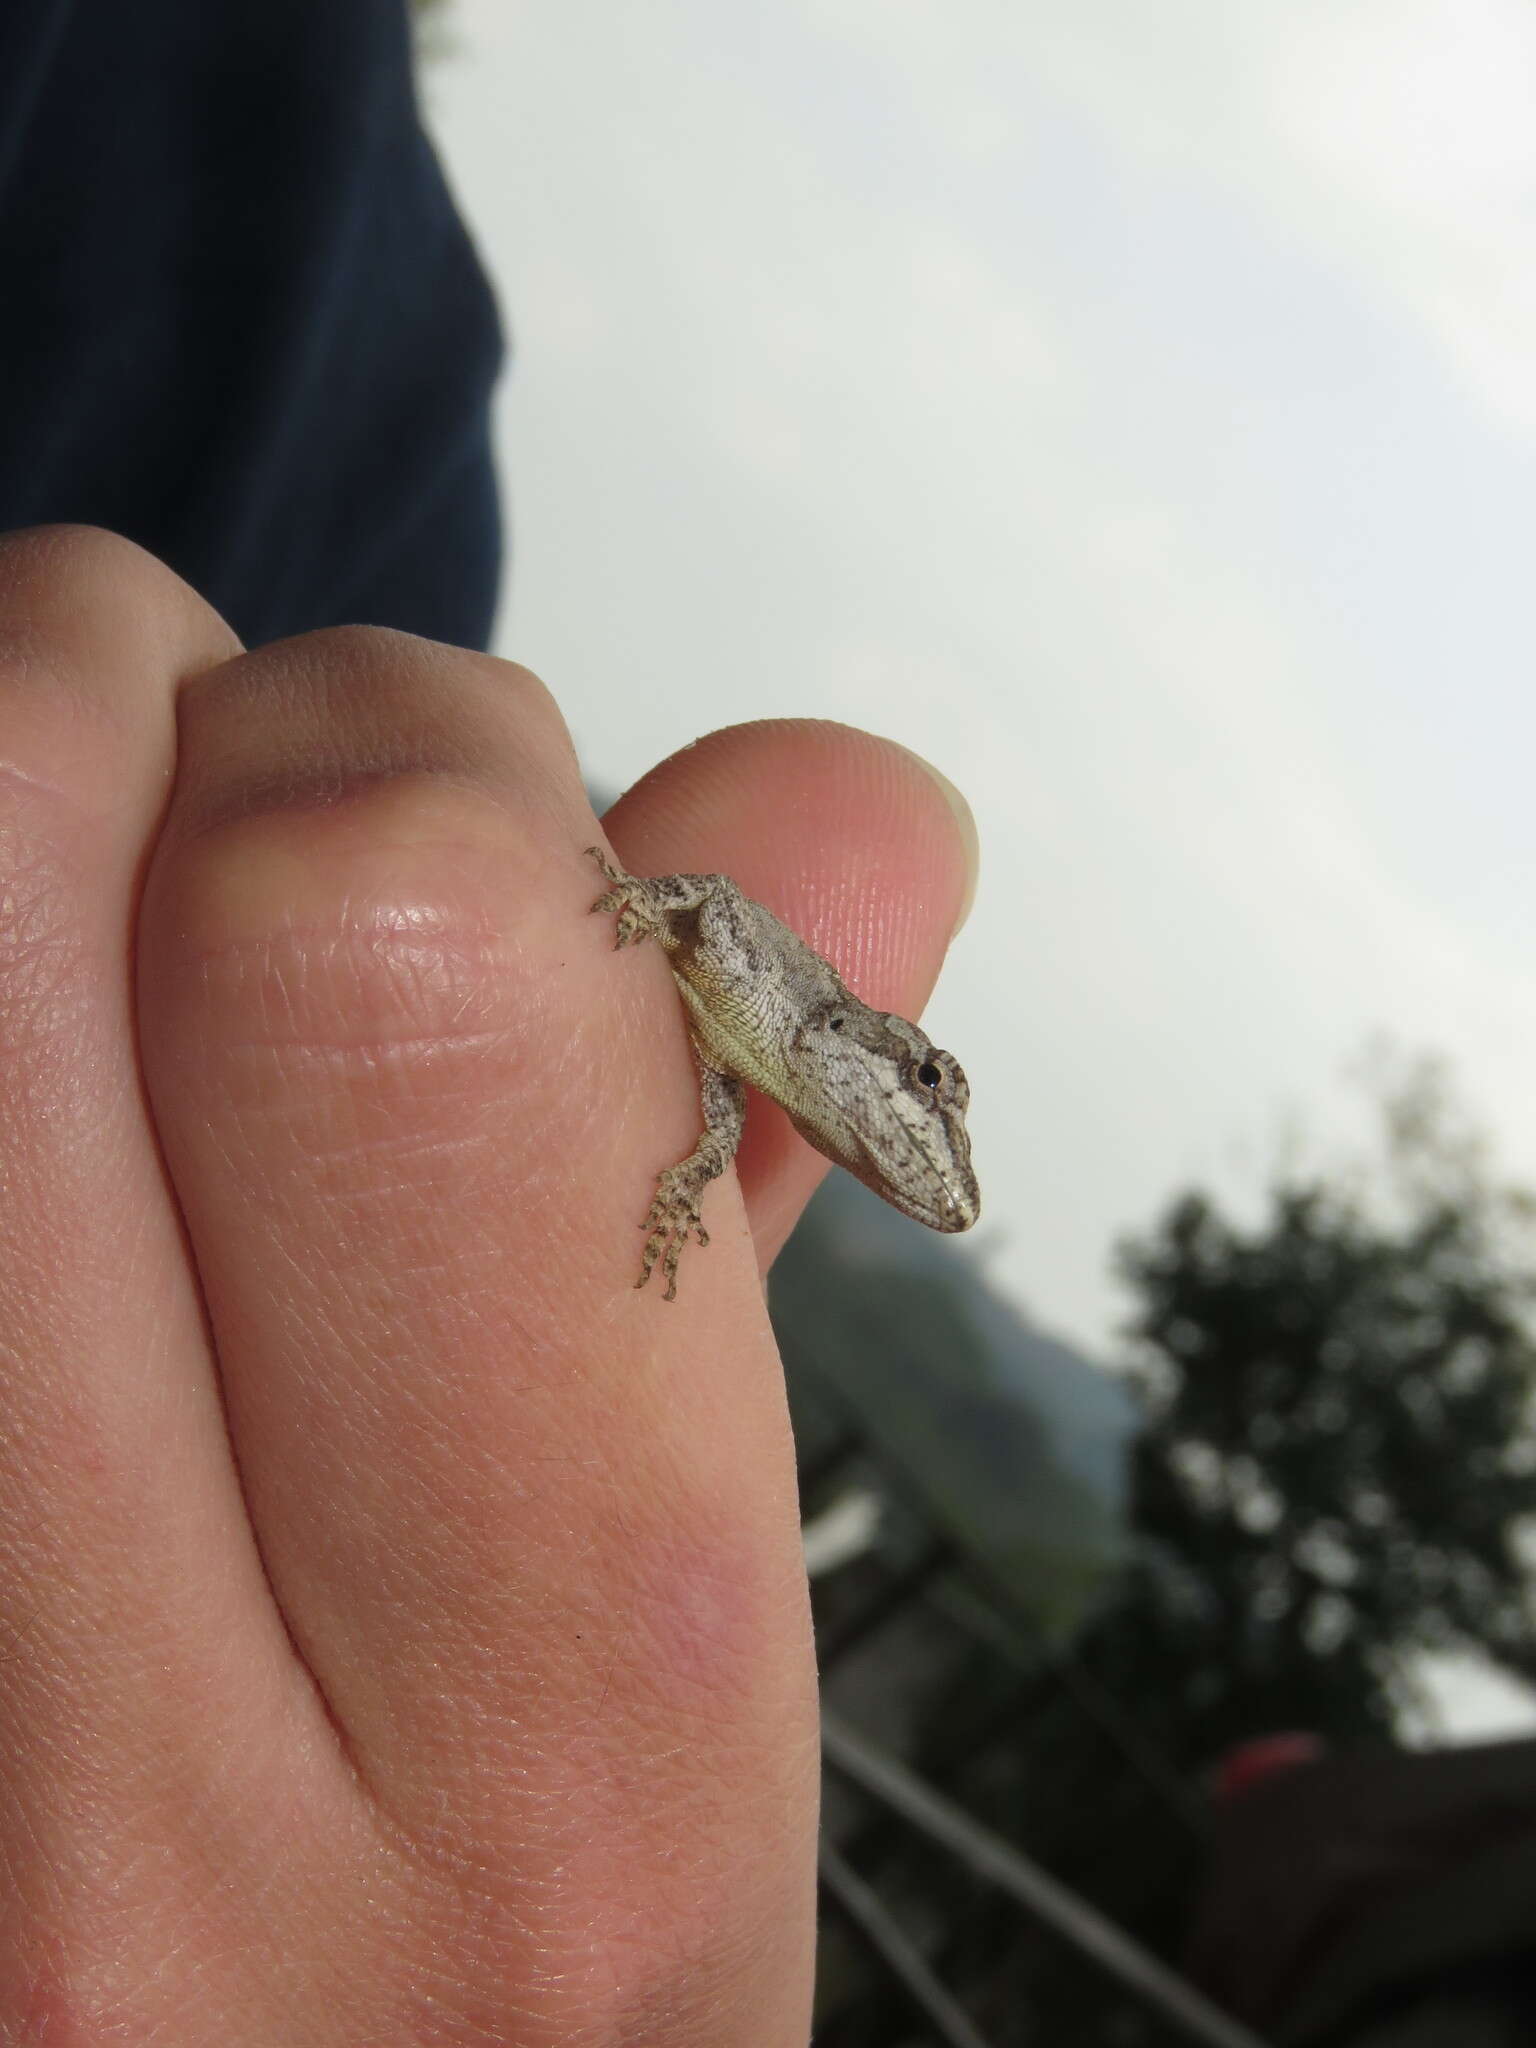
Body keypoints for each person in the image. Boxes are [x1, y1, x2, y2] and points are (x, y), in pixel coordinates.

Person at [0, 7, 976, 2041]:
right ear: (898, 1071)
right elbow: (700, 916)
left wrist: (680, 1175)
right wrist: (622, 922)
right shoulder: (332, 337)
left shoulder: (352, 380)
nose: (920, 1157)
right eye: (926, 1117)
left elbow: (699, 1081)